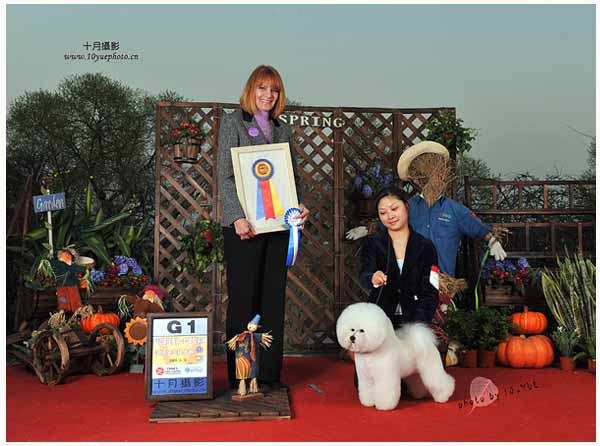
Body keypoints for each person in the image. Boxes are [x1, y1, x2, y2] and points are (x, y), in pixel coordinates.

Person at [217, 65, 309, 390]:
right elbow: (225, 175)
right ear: (251, 90)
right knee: (243, 298)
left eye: (274, 90)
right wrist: (237, 217)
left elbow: (292, 177)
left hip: (277, 227)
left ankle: (269, 374)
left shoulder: (283, 129)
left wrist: (300, 206)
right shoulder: (232, 123)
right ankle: (242, 374)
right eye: (262, 88)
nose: (268, 95)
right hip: (244, 227)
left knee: (273, 298)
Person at [359, 186, 440, 328]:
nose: (390, 216)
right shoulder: (372, 244)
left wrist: (419, 324)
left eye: (394, 209)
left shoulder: (426, 247)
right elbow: (364, 275)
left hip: (416, 322)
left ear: (406, 207)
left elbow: (431, 290)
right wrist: (372, 278)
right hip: (380, 321)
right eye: (383, 212)